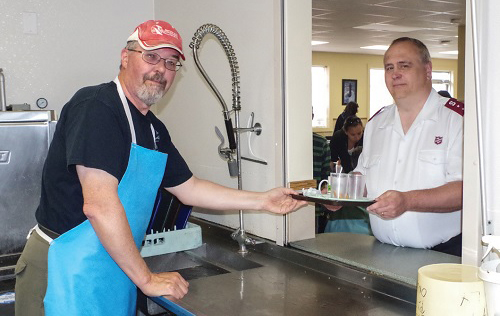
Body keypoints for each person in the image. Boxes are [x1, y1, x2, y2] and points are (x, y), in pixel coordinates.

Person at [14, 20, 307, 316]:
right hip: (64, 270)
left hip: (114, 268)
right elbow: (99, 206)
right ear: (125, 57)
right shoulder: (96, 107)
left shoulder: (154, 130)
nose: (160, 70)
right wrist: (146, 278)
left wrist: (263, 200)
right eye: (150, 56)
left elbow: (190, 189)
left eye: (170, 62)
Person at [354, 37, 464, 256]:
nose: (395, 73)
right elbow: (362, 177)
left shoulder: (457, 119)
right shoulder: (377, 123)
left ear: (428, 70)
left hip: (444, 255)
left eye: (404, 65)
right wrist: (337, 194)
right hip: (384, 252)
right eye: (389, 67)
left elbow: (465, 191)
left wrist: (407, 201)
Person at [325, 115, 371, 235]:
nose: (357, 137)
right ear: (346, 132)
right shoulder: (338, 139)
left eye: (359, 133)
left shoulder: (366, 139)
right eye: (353, 134)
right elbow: (333, 161)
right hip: (343, 175)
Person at [312, 110, 331, 233]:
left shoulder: (285, 141)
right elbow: (327, 178)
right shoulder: (321, 142)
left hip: (290, 203)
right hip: (316, 206)